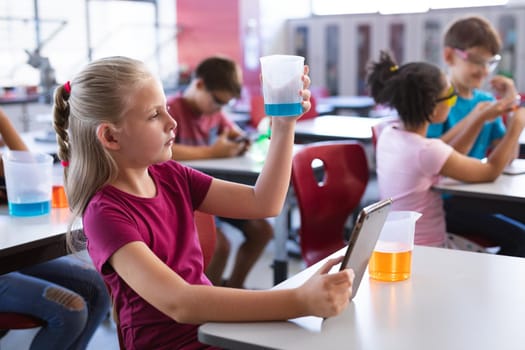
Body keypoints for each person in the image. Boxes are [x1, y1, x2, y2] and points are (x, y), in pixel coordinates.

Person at [52, 56, 354, 349]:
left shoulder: (169, 175)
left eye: (167, 109)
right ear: (111, 137)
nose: (172, 122)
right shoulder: (105, 214)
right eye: (154, 115)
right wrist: (299, 301)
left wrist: (283, 124)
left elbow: (264, 203)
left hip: (212, 329)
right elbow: (180, 303)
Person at [367, 50, 525, 250]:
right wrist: (516, 128)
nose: (452, 103)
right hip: (430, 249)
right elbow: (490, 171)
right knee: (519, 238)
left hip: (398, 245)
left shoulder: (388, 133)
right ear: (433, 109)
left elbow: (448, 156)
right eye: (450, 99)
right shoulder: (426, 151)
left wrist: (478, 118)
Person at [0, 108, 111, 349]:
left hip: (7, 260)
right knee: (70, 310)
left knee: (98, 289)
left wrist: (3, 120)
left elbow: (28, 175)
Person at [167, 56, 273, 288]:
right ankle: (208, 306)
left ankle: (234, 289)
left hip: (207, 195)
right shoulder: (170, 109)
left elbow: (234, 132)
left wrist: (240, 142)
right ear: (199, 85)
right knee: (219, 245)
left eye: (224, 104)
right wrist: (213, 152)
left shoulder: (213, 112)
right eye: (216, 100)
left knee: (262, 230)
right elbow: (165, 151)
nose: (218, 108)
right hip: (181, 199)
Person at [426, 16, 525, 255]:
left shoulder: (486, 101)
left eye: (489, 62)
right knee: (521, 237)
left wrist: (511, 109)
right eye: (477, 60)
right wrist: (478, 118)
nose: (483, 70)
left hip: (480, 194)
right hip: (446, 201)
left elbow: (508, 158)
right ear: (449, 56)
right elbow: (435, 159)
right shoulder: (436, 103)